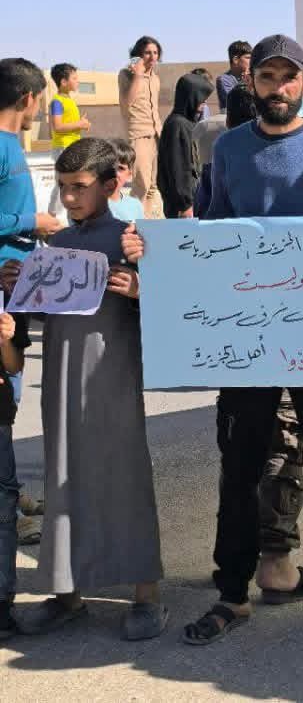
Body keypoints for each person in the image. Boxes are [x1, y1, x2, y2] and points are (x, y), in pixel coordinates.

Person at [123, 34, 303, 643]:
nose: (277, 87)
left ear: (302, 84)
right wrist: (152, 251)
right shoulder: (229, 152)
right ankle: (230, 594)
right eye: (266, 77)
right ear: (253, 84)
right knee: (238, 467)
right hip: (246, 340)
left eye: (287, 77)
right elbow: (209, 241)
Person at [3, 138, 166, 640]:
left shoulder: (134, 240)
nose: (70, 199)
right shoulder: (53, 250)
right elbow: (29, 319)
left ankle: (147, 597)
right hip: (59, 378)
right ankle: (66, 594)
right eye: (65, 188)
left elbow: (178, 311)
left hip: (113, 377)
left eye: (80, 188)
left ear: (112, 184)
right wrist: (14, 285)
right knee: (63, 477)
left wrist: (141, 285)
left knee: (125, 476)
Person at [1, 58, 62, 263]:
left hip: (18, 272)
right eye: (39, 101)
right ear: (28, 99)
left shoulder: (11, 141)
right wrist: (33, 221)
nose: (37, 111)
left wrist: (38, 227)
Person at [0, 303, 29, 640]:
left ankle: (2, 601)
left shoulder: (9, 295)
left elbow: (14, 365)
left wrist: (7, 340)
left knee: (4, 514)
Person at [119, 35, 164, 217]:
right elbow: (126, 104)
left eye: (155, 53)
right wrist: (137, 75)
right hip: (138, 135)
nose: (152, 57)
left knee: (152, 186)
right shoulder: (126, 75)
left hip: (156, 135)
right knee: (141, 185)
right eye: (147, 53)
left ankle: (147, 223)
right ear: (138, 55)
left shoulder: (155, 79)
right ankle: (134, 224)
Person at [157, 72, 211, 219]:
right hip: (183, 207)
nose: (203, 106)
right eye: (201, 101)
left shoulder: (186, 123)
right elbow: (179, 168)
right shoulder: (178, 125)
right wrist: (185, 204)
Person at [46, 63, 91, 217]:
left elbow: (69, 124)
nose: (77, 81)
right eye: (74, 78)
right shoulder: (57, 102)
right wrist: (80, 124)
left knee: (73, 182)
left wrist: (82, 125)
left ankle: (72, 215)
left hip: (72, 147)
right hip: (63, 148)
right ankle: (51, 216)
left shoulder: (69, 100)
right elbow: (57, 127)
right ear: (64, 82)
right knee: (63, 183)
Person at [107, 138, 145, 222]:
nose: (115, 173)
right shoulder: (89, 206)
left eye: (120, 168)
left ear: (129, 174)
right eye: (109, 166)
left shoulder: (135, 206)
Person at [217, 41, 252, 112]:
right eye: (248, 58)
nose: (251, 61)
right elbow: (235, 101)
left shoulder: (251, 77)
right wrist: (245, 82)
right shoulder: (224, 79)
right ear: (235, 60)